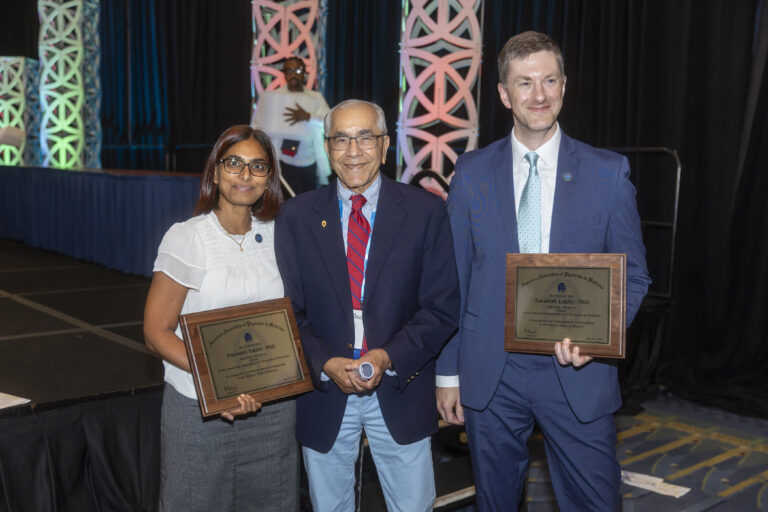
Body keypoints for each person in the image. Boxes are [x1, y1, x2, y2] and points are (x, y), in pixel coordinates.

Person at [435, 31, 651, 511]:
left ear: (564, 86)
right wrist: (448, 372)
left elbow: (634, 277)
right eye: (525, 83)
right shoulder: (471, 172)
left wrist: (598, 339)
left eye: (549, 81)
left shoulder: (607, 172)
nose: (539, 95)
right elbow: (454, 281)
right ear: (504, 94)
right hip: (491, 371)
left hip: (577, 371)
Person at [275, 99, 460, 511]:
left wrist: (387, 356)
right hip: (325, 393)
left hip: (400, 385)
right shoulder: (295, 216)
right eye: (341, 139)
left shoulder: (425, 211)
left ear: (385, 144)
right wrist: (324, 362)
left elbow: (442, 306)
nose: (353, 151)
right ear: (327, 147)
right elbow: (288, 311)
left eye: (365, 138)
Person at [143, 126, 298, 511]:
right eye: (234, 164)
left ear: (269, 179)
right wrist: (217, 386)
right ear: (215, 171)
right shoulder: (188, 237)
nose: (245, 175)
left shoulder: (281, 236)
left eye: (257, 167)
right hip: (201, 411)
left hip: (273, 413)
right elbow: (156, 332)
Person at [252, 56, 331, 194]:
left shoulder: (315, 97)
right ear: (284, 74)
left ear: (305, 73)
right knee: (288, 204)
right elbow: (257, 127)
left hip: (309, 162)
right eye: (289, 71)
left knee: (308, 202)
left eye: (297, 70)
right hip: (285, 162)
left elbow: (330, 123)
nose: (293, 74)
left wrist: (308, 117)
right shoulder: (273, 98)